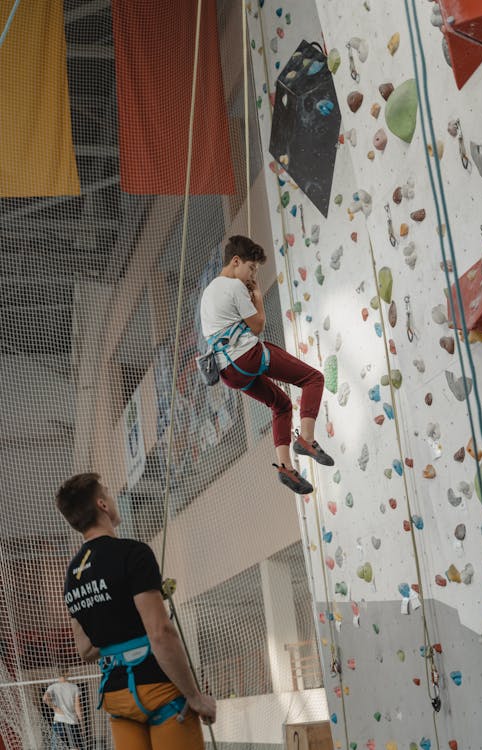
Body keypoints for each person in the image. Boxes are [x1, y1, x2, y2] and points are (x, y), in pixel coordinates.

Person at [55, 473, 216, 750]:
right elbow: (161, 633)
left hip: (117, 698)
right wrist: (195, 696)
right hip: (158, 690)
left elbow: (85, 649)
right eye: (108, 492)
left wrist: (116, 625)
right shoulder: (133, 554)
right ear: (102, 504)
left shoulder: (72, 575)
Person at [200, 235, 334, 494]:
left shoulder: (208, 293)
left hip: (228, 373)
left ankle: (285, 467)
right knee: (313, 378)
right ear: (236, 261)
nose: (252, 275)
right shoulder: (234, 286)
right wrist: (258, 296)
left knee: (281, 404)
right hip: (247, 357)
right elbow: (258, 326)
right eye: (251, 269)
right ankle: (306, 439)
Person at [43, 673, 84, 750]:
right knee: (75, 748)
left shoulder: (52, 687)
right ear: (68, 673)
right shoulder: (74, 687)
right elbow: (77, 708)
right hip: (72, 722)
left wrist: (54, 707)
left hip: (59, 721)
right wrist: (82, 725)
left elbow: (45, 698)